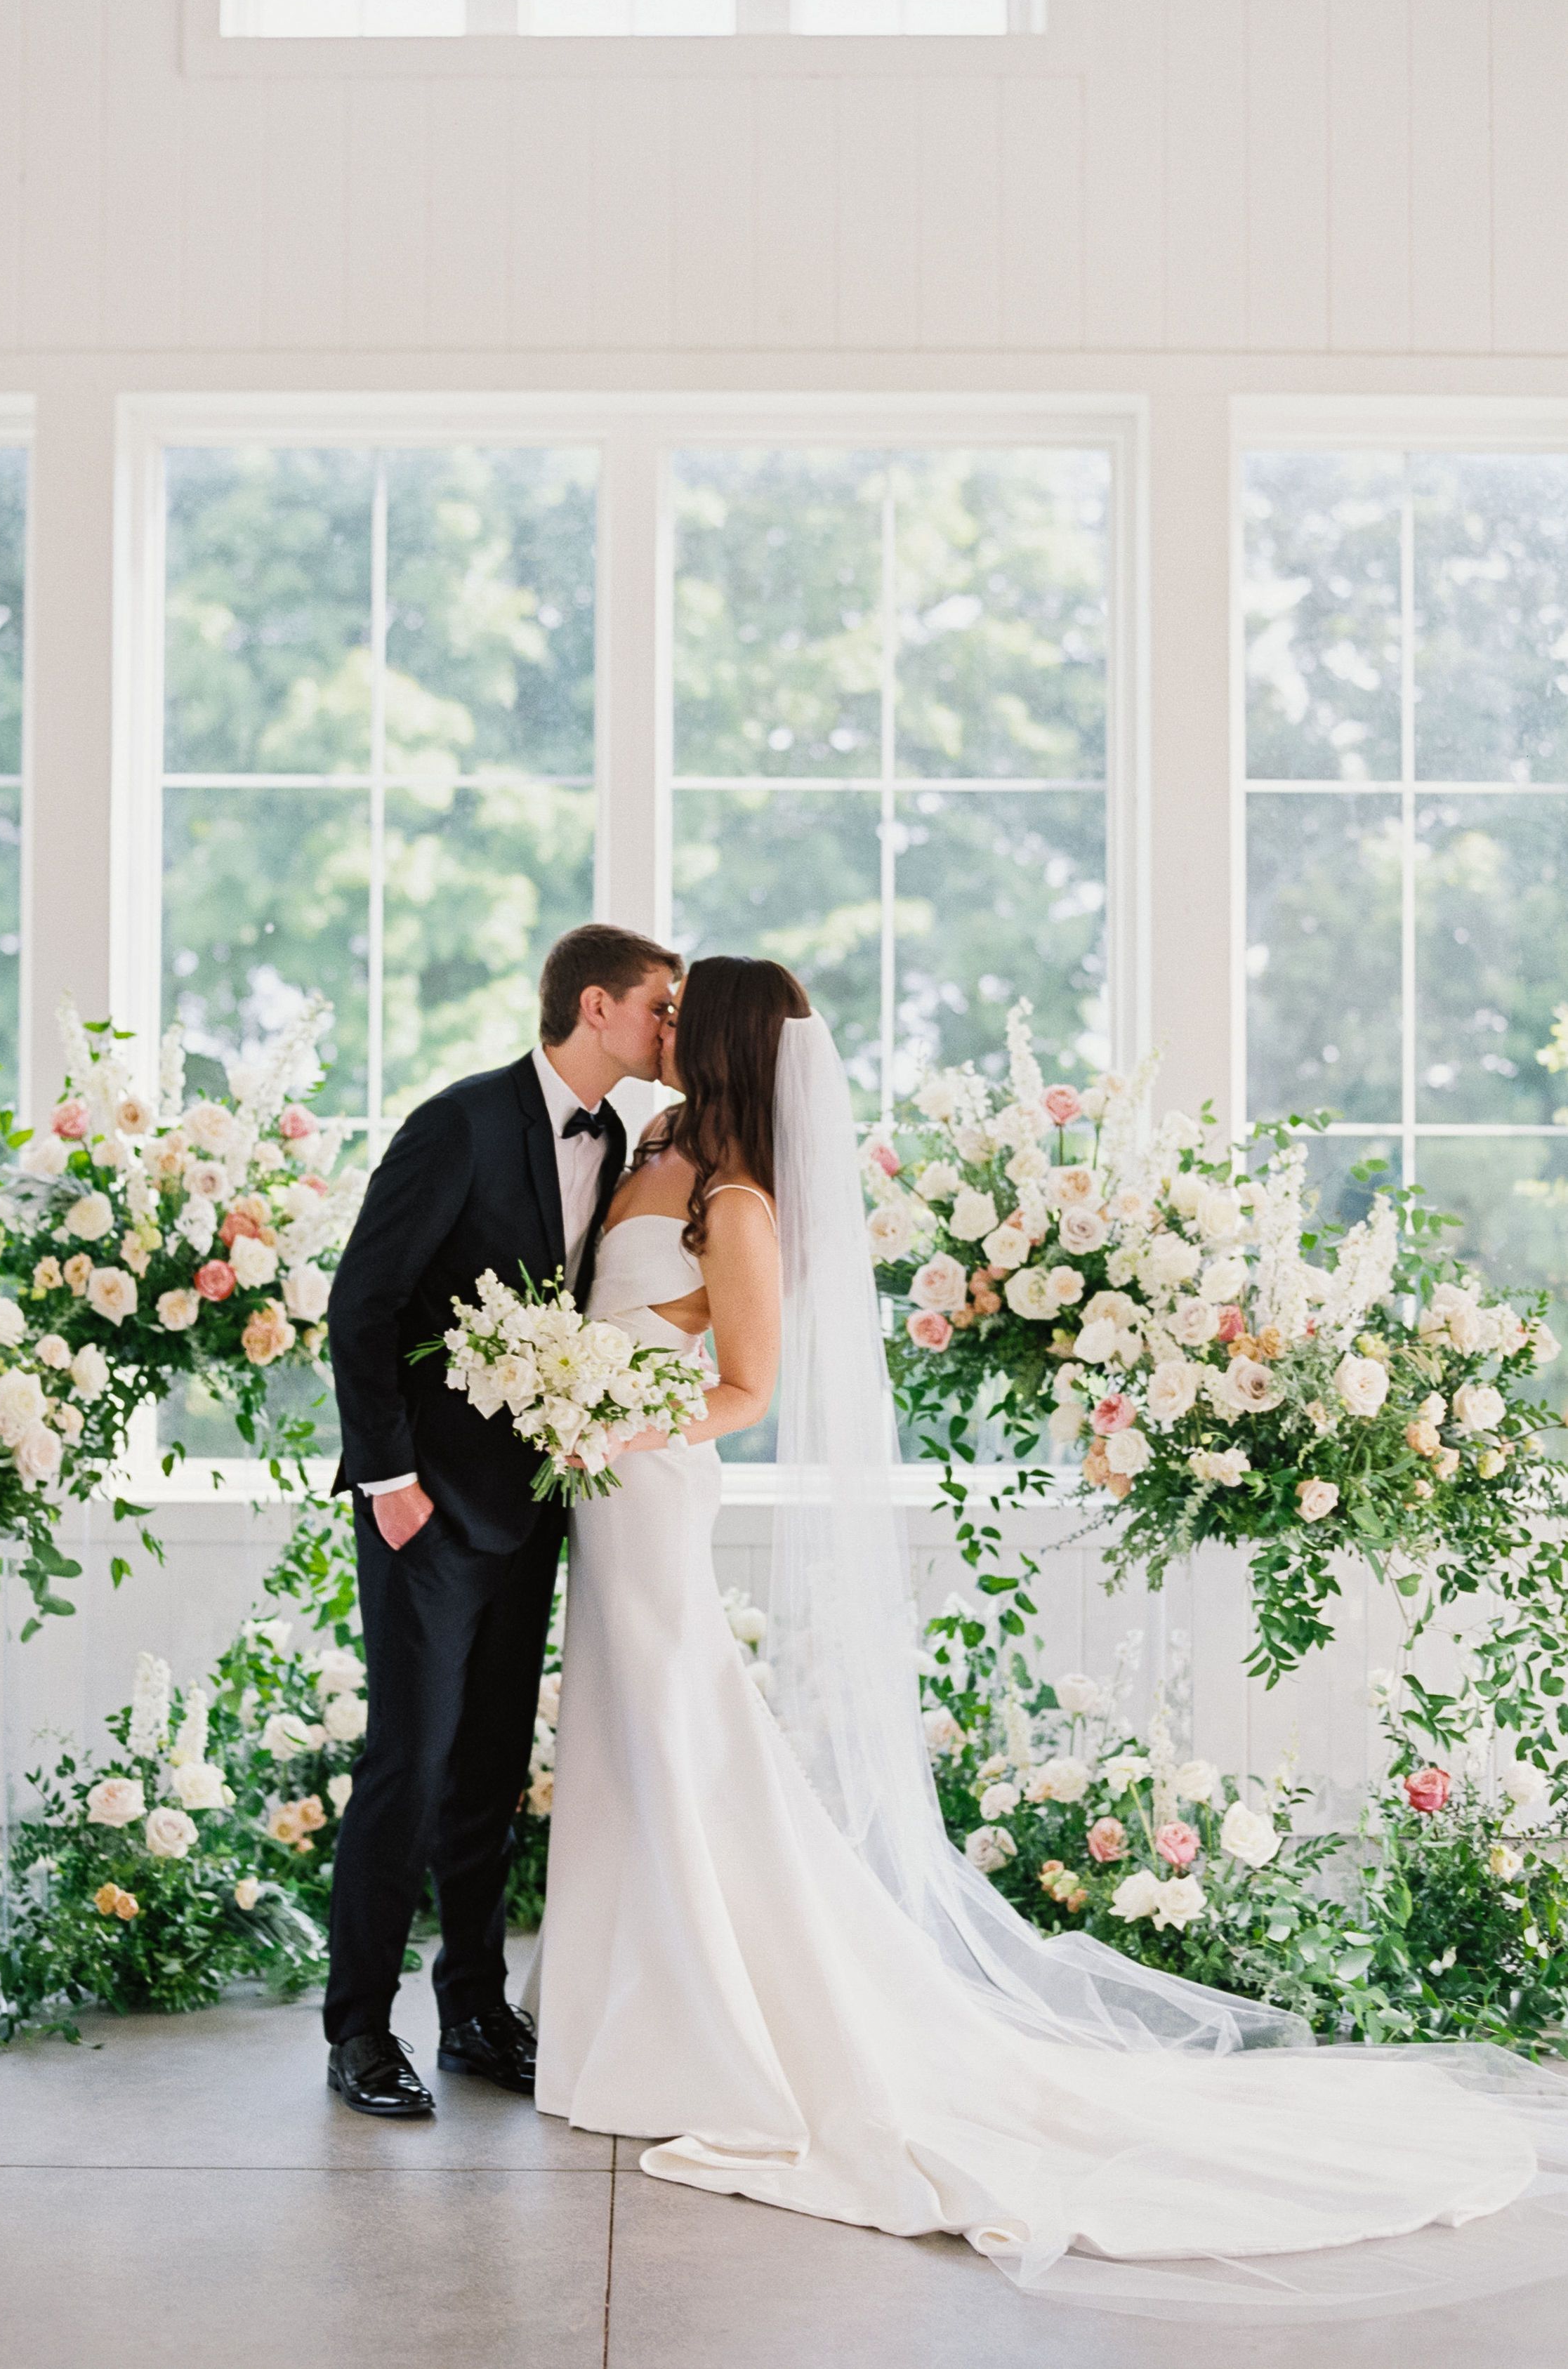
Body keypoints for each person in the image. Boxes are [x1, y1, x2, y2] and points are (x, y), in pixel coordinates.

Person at [534, 954, 1568, 2323]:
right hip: (600, 1492)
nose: (661, 1023)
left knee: (678, 1733)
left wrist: (615, 1418)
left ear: (715, 1038)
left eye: (681, 1011)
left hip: (648, 1486)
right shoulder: (658, 1143)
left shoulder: (735, 1200)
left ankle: (710, 2027)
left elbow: (746, 1386)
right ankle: (621, 2010)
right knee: (625, 1736)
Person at [322, 922, 680, 2118]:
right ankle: (358, 2029)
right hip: (425, 1507)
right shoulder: (460, 1122)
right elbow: (362, 1304)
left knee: (488, 1771)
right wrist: (389, 1481)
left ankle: (473, 2009)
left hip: (532, 1505)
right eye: (659, 1006)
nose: (669, 1028)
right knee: (409, 1762)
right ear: (596, 1006)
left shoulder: (619, 1137)